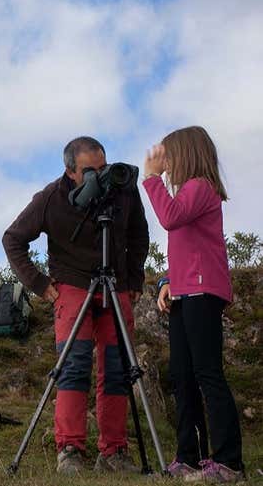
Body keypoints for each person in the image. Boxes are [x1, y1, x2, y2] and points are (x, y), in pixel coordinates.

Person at [3, 136, 149, 474]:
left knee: (117, 369)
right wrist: (40, 284)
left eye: (103, 167)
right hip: (71, 285)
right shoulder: (51, 198)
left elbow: (139, 235)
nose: (101, 176)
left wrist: (135, 280)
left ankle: (113, 452)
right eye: (90, 172)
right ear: (70, 172)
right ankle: (69, 449)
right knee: (74, 365)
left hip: (117, 285)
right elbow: (13, 239)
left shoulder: (122, 185)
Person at [143, 126, 244, 482]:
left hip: (203, 293)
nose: (164, 163)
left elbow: (170, 218)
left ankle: (229, 462)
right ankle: (190, 457)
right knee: (182, 376)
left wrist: (152, 179)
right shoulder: (190, 192)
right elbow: (186, 246)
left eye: (169, 156)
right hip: (185, 292)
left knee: (207, 374)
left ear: (186, 154)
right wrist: (168, 281)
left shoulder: (200, 186)